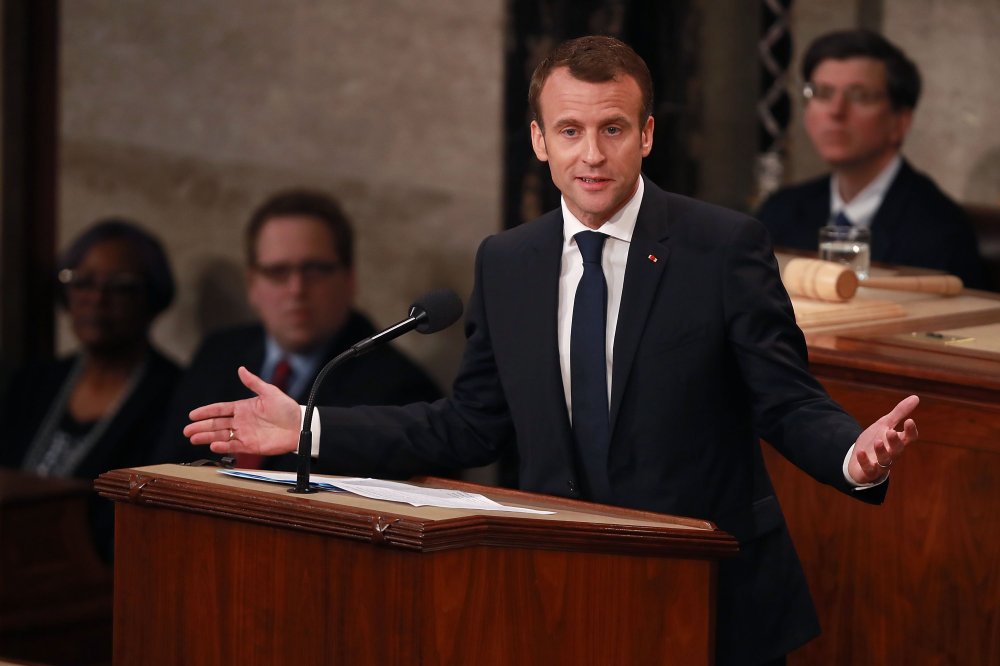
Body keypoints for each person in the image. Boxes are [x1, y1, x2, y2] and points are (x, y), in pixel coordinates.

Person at [182, 37, 919, 665]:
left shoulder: (722, 247)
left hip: (708, 600)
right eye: (569, 131)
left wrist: (852, 455)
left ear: (647, 134)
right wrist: (309, 427)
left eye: (613, 130)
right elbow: (469, 425)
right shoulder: (508, 261)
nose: (591, 155)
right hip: (559, 595)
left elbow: (784, 399)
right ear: (538, 141)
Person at [154, 189, 443, 473]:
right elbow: (163, 469)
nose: (296, 290)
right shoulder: (217, 354)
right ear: (252, 285)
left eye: (314, 270)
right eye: (278, 272)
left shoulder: (403, 390)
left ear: (349, 280)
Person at [0, 219, 181, 561]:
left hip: (101, 573)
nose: (96, 299)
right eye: (81, 282)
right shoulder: (35, 381)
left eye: (120, 287)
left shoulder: (174, 394)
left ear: (153, 295)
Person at [757, 29, 988, 289]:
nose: (836, 111)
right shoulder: (780, 211)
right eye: (822, 93)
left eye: (859, 96)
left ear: (900, 121)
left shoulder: (939, 230)